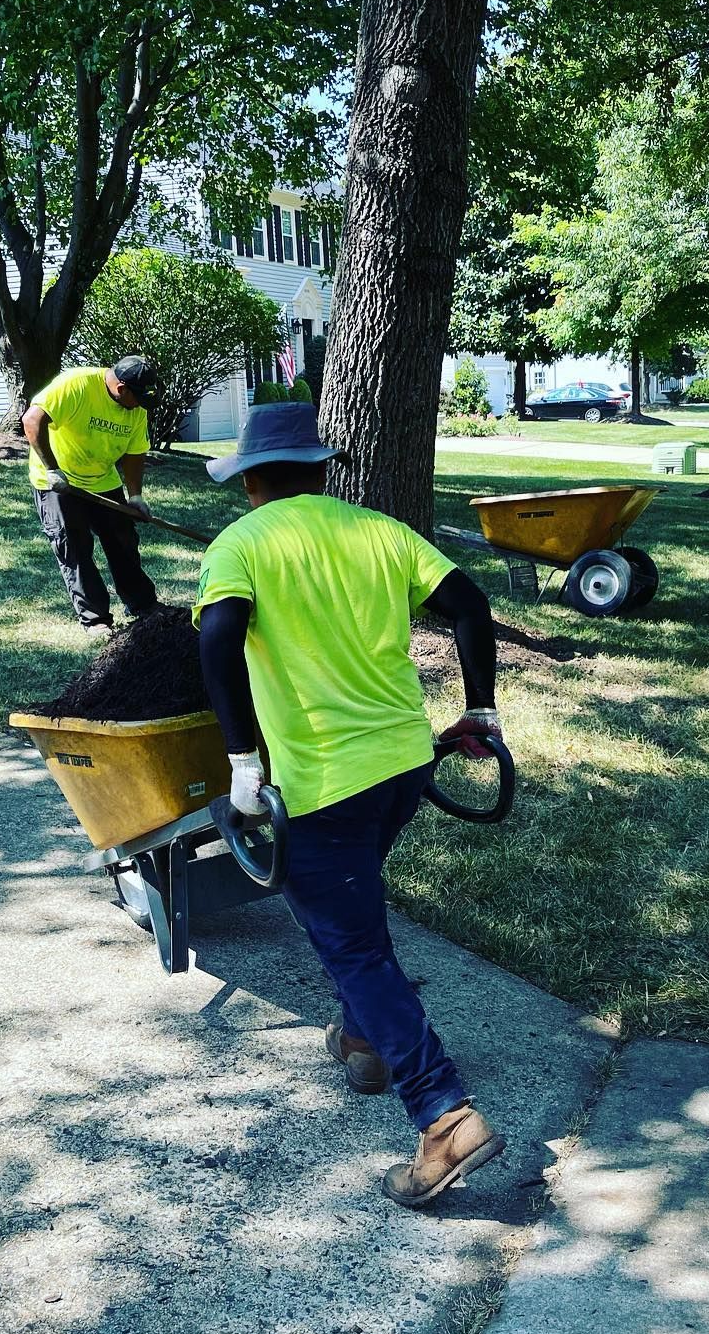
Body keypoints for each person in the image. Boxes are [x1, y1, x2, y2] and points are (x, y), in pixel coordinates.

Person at [194, 402, 505, 1209]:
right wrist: (481, 711)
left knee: (352, 946)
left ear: (253, 479)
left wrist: (239, 762)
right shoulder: (380, 531)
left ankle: (442, 1116)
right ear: (321, 470)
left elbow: (217, 641)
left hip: (323, 780)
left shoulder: (241, 545)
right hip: (402, 765)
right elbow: (470, 606)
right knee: (354, 914)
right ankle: (365, 1039)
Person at [23, 355, 162, 637]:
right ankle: (96, 619)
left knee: (123, 540)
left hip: (101, 478)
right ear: (122, 389)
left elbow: (135, 453)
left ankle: (143, 605)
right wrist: (53, 470)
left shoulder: (137, 407)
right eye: (138, 398)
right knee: (74, 547)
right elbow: (32, 419)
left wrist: (135, 496)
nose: (141, 407)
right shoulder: (76, 385)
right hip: (59, 482)